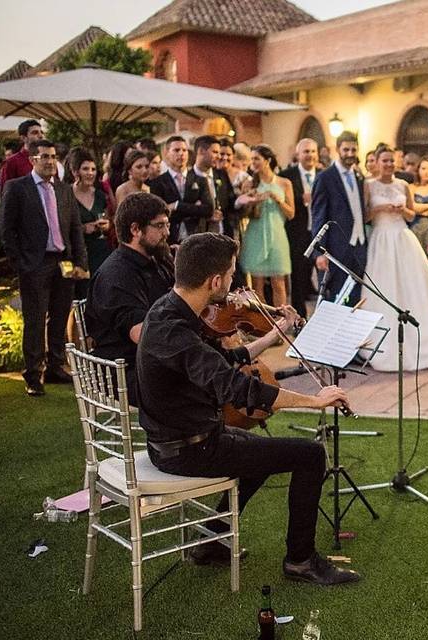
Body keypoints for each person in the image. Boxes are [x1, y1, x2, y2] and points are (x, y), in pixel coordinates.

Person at [135, 232, 360, 584]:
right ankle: (300, 560)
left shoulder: (168, 310)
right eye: (231, 273)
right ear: (215, 281)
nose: (234, 283)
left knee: (258, 453)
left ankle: (212, 541)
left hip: (185, 437)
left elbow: (221, 361)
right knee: (309, 454)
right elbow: (238, 388)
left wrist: (270, 337)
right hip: (190, 448)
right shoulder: (174, 329)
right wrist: (313, 400)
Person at [0, 138, 87, 396]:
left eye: (53, 156)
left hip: (64, 262)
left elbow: (74, 229)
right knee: (35, 320)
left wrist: (81, 262)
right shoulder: (17, 188)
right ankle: (33, 374)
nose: (50, 161)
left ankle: (56, 367)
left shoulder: (63, 190)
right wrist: (21, 263)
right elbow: (8, 230)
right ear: (32, 160)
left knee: (59, 318)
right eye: (45, 157)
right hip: (34, 264)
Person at [360, 146, 428, 371]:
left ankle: (426, 345)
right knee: (385, 287)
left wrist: (402, 211)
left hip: (403, 237)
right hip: (382, 240)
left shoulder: (403, 185)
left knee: (414, 287)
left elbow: (413, 214)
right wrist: (381, 207)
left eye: (392, 161)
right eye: (385, 161)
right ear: (377, 162)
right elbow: (365, 216)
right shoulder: (368, 185)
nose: (389, 165)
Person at [86, 192, 174, 399]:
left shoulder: (157, 259)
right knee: (199, 375)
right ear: (135, 229)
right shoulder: (116, 275)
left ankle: (214, 430)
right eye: (159, 226)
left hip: (154, 360)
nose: (167, 232)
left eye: (167, 225)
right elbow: (143, 334)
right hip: (125, 372)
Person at [310, 131, 367, 304]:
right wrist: (319, 252)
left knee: (355, 296)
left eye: (353, 150)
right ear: (337, 149)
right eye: (346, 150)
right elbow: (319, 216)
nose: (350, 154)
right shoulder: (325, 178)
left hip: (359, 246)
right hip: (336, 248)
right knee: (336, 296)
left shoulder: (358, 176)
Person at [238, 144, 294, 307]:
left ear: (267, 160)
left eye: (256, 159)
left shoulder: (284, 183)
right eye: (251, 159)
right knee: (257, 286)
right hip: (255, 234)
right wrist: (252, 201)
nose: (253, 162)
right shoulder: (249, 184)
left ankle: (282, 321)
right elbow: (242, 214)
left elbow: (291, 214)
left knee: (279, 283)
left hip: (277, 235)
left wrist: (278, 200)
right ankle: (264, 324)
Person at [279, 138, 321, 318]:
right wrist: (300, 199)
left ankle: (323, 318)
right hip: (298, 232)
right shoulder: (287, 175)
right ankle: (299, 319)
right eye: (306, 152)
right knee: (298, 277)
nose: (310, 155)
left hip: (320, 232)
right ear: (298, 155)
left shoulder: (324, 174)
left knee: (323, 278)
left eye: (312, 151)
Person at [148, 136, 213, 243]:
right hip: (169, 238)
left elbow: (208, 210)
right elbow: (159, 212)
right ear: (167, 153)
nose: (181, 153)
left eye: (184, 150)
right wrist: (194, 208)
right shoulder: (158, 183)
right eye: (176, 150)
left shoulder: (200, 180)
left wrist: (177, 206)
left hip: (196, 238)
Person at [70, 149, 112, 298]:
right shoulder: (67, 194)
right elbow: (62, 226)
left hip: (101, 251)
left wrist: (107, 226)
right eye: (85, 169)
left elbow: (108, 220)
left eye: (93, 169)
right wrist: (82, 228)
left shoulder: (100, 195)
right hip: (79, 253)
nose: (90, 173)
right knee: (82, 298)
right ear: (75, 171)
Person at [0, 119, 44, 192]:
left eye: (41, 132)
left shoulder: (49, 159)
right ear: (23, 138)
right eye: (35, 133)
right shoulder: (11, 162)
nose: (41, 136)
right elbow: (5, 193)